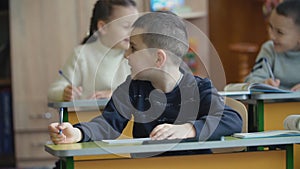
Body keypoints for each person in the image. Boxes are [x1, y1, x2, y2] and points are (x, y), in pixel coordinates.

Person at [48, 11, 243, 156]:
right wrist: (78, 133)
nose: (126, 55)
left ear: (158, 59)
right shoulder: (133, 87)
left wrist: (188, 128)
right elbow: (108, 123)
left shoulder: (199, 89)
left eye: (133, 48)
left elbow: (232, 119)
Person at [48, 0, 138, 101]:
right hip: (88, 116)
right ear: (103, 27)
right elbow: (53, 91)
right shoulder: (82, 55)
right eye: (126, 26)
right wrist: (64, 93)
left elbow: (147, 91)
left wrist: (116, 94)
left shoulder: (137, 55)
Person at [245, 0, 300, 91]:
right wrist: (263, 83)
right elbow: (251, 80)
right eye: (270, 27)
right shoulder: (269, 49)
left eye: (280, 32)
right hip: (273, 104)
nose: (271, 35)